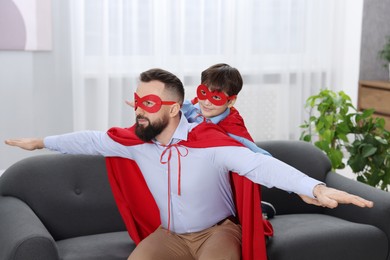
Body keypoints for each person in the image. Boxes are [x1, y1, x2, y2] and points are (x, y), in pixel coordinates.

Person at [5, 68, 373, 260]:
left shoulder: (210, 144)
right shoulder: (134, 144)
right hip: (168, 236)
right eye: (136, 101)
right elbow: (89, 139)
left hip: (218, 232)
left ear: (173, 108)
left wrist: (316, 188)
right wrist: (42, 142)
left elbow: (261, 166)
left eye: (148, 104)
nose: (138, 110)